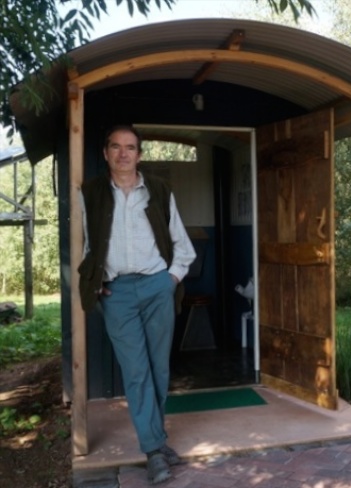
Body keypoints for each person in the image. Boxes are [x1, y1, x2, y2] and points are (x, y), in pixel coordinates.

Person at [78, 124, 196, 485]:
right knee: (136, 371)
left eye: (130, 148)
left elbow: (182, 244)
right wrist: (94, 283)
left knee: (158, 370)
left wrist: (170, 279)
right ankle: (154, 452)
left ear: (139, 155)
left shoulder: (158, 190)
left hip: (157, 287)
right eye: (116, 147)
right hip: (117, 294)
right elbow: (86, 246)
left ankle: (155, 439)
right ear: (106, 153)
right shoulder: (92, 193)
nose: (123, 154)